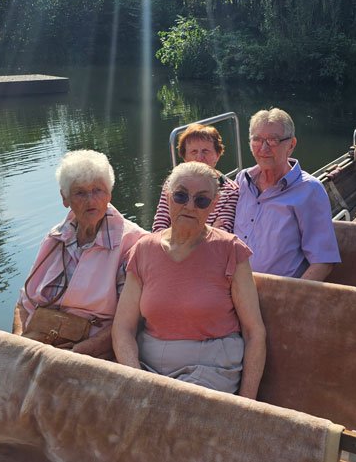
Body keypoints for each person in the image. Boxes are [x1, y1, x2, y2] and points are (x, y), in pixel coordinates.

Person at [112, 162, 266, 398]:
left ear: (213, 205)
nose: (190, 206)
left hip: (211, 365)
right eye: (181, 195)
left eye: (201, 200)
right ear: (167, 197)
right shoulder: (144, 250)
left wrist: (247, 404)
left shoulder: (230, 250)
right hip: (149, 364)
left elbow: (254, 331)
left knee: (175, 412)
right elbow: (123, 327)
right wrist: (136, 378)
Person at [13, 150, 147, 358]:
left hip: (91, 352)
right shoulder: (56, 237)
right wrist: (16, 343)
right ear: (65, 198)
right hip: (38, 341)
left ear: (110, 194)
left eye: (98, 190)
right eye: (80, 193)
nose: (90, 200)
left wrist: (77, 354)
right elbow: (24, 302)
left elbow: (131, 321)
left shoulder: (133, 243)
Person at [233, 108, 341, 280]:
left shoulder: (309, 190)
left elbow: (323, 262)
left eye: (273, 140)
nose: (263, 148)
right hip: (232, 288)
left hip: (277, 295)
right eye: (257, 140)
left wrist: (289, 299)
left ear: (291, 145)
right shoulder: (242, 181)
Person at [153, 123, 239, 232]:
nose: (199, 158)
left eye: (205, 151)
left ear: (217, 155)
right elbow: (158, 229)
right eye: (194, 152)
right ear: (185, 157)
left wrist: (177, 231)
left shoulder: (230, 191)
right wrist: (208, 230)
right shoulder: (172, 183)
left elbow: (220, 237)